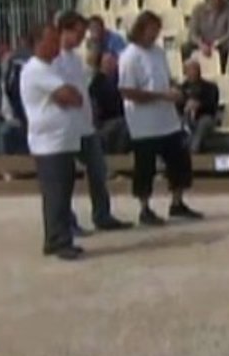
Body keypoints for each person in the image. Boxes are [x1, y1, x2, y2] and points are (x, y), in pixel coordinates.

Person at [118, 12, 204, 225]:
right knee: (145, 168)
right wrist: (161, 96)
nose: (156, 34)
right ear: (141, 29)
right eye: (152, 29)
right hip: (143, 123)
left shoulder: (158, 52)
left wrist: (174, 90)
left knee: (179, 161)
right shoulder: (129, 56)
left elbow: (165, 78)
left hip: (167, 120)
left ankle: (177, 203)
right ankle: (145, 209)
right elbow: (127, 91)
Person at [55, 11, 131, 232]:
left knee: (98, 169)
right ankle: (66, 220)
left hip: (85, 125)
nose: (82, 38)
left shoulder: (75, 58)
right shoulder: (55, 59)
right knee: (64, 177)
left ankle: (102, 215)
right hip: (66, 127)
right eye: (78, 33)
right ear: (65, 31)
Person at [19, 25, 86, 261]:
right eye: (51, 40)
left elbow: (73, 96)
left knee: (61, 193)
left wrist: (71, 95)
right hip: (50, 143)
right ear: (38, 43)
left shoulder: (49, 68)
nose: (57, 44)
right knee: (56, 194)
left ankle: (57, 238)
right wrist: (70, 95)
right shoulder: (37, 69)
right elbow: (70, 96)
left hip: (60, 141)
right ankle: (58, 241)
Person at [90, 52, 130, 153]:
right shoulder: (97, 83)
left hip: (122, 117)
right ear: (101, 64)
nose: (111, 64)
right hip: (106, 122)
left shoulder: (120, 80)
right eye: (107, 61)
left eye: (113, 61)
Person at [178, 58, 220, 153]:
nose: (192, 72)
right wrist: (186, 106)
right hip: (186, 118)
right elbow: (177, 107)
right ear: (185, 72)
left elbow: (213, 105)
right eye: (189, 70)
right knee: (179, 123)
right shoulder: (181, 89)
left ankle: (193, 151)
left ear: (199, 71)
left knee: (203, 124)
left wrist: (199, 105)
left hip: (206, 117)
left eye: (195, 69)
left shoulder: (211, 87)